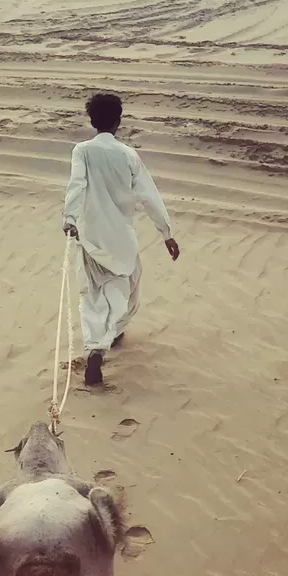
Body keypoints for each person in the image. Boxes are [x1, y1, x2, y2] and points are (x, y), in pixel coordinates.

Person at [63, 93, 179, 386]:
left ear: (92, 122)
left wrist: (70, 219)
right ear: (118, 122)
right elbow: (149, 196)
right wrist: (166, 233)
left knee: (92, 294)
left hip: (91, 238)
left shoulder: (82, 151)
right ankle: (108, 338)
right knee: (127, 290)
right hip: (121, 239)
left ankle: (96, 348)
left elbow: (77, 185)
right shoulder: (128, 154)